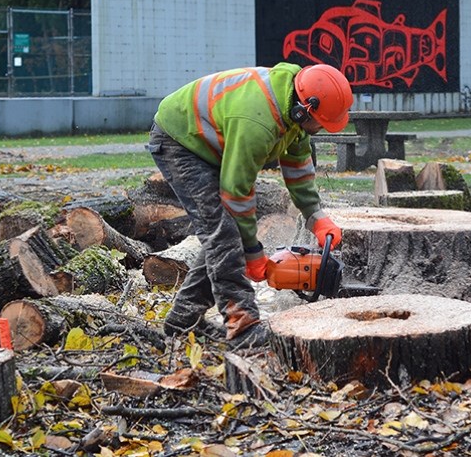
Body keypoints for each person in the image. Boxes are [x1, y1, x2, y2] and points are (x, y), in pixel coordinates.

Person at [147, 62, 353, 348]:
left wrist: (316, 217)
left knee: (221, 237)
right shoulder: (259, 122)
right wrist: (253, 252)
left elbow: (298, 167)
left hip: (211, 139)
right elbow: (237, 194)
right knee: (223, 233)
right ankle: (243, 327)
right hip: (180, 140)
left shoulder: (294, 108)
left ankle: (184, 320)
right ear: (303, 109)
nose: (320, 129)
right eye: (319, 122)